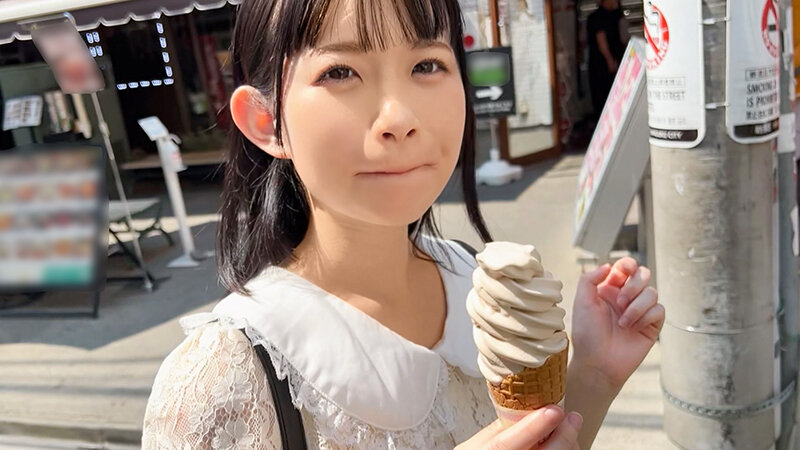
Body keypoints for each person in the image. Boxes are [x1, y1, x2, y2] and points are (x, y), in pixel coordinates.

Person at [141, 0, 664, 448]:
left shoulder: (473, 282)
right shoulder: (222, 379)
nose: (399, 117)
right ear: (266, 121)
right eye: (339, 72)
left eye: (427, 64)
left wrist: (593, 374)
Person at [587, 0, 630, 119]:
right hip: (602, 65)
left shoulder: (617, 15)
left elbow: (624, 37)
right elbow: (601, 41)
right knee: (604, 96)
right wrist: (610, 60)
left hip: (616, 60)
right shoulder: (597, 17)